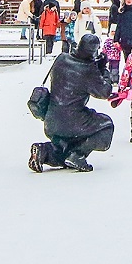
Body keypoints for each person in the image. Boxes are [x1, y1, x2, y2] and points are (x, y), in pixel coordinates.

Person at [30, 31, 116, 172]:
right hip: (74, 120)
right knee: (106, 126)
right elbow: (105, 91)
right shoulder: (88, 70)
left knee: (64, 147)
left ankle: (44, 151)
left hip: (51, 120)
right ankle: (78, 155)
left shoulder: (61, 59)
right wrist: (102, 69)